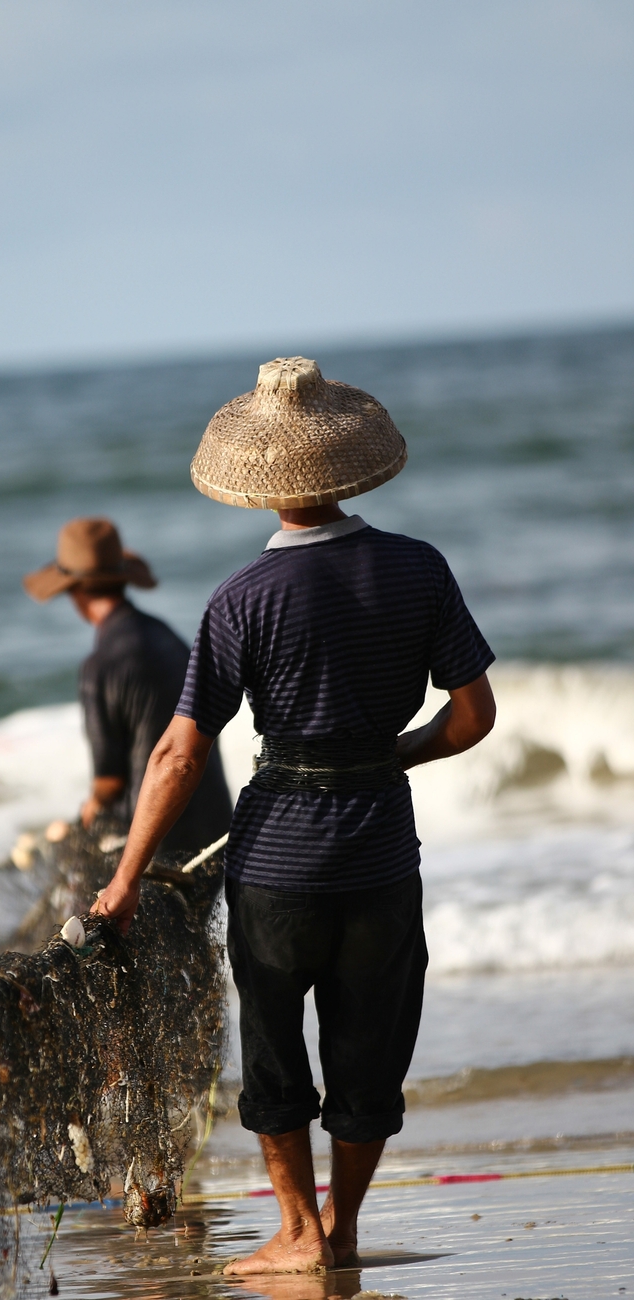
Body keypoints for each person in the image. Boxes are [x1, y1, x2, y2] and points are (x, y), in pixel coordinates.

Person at [95, 357, 496, 1274]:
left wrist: (124, 881)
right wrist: (400, 752)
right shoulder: (418, 568)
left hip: (276, 861)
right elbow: (473, 717)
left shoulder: (241, 599)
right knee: (370, 1054)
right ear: (352, 468)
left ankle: (299, 1236)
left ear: (260, 488)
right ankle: (344, 1228)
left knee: (277, 1060)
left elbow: (180, 753)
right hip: (383, 851)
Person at [24, 516, 232, 864]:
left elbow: (109, 782)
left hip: (153, 841)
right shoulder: (168, 637)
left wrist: (89, 810)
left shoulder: (99, 665)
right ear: (122, 580)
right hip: (214, 829)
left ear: (74, 593)